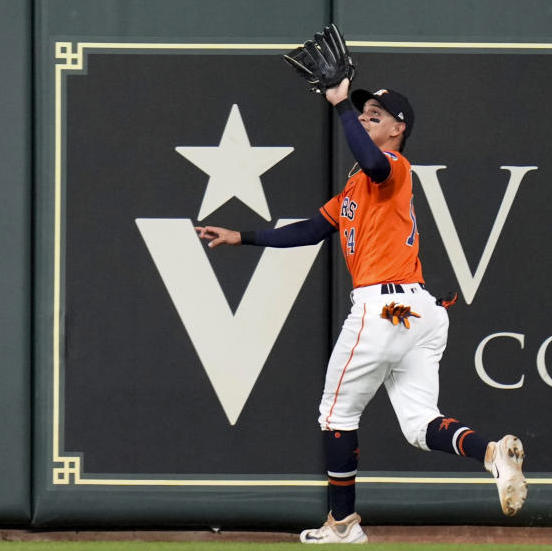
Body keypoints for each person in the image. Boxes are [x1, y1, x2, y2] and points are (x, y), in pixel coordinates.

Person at [196, 77, 527, 544]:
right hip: (418, 313)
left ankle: (343, 524)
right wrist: (242, 237)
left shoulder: (391, 165)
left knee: (336, 414)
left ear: (398, 128)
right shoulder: (357, 187)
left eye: (377, 113)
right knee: (419, 424)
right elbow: (311, 230)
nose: (367, 115)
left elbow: (373, 162)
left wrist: (339, 104)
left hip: (386, 307)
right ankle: (491, 453)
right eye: (363, 110)